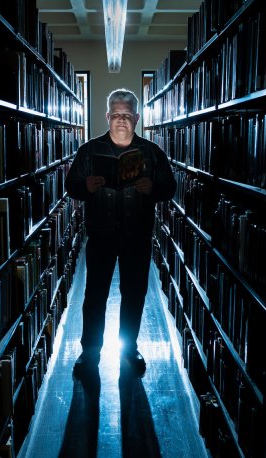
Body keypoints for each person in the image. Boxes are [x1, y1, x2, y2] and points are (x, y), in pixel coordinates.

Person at [65, 88, 177, 376]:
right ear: (107, 116)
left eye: (127, 115)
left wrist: (153, 188)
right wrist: (84, 186)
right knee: (95, 295)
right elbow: (71, 185)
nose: (121, 120)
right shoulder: (89, 151)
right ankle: (90, 352)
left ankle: (129, 349)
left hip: (137, 236)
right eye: (116, 114)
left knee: (134, 293)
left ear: (137, 117)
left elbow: (171, 187)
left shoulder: (152, 152)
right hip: (100, 236)